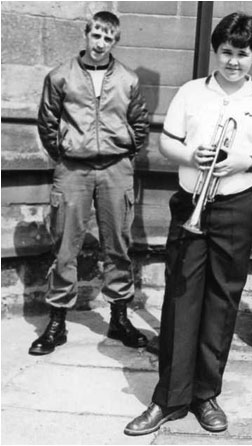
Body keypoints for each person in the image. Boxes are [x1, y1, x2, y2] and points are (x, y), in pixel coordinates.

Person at [124, 12, 252, 436]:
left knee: (222, 299)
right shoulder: (191, 92)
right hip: (192, 203)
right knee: (180, 298)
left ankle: (205, 394)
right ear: (216, 52)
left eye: (243, 54)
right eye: (227, 52)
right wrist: (188, 156)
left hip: (237, 207)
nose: (234, 62)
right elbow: (167, 141)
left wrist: (244, 161)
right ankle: (169, 398)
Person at [30, 11, 149, 356]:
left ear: (115, 41)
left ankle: (119, 317)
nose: (100, 44)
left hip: (116, 169)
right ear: (86, 35)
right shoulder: (60, 77)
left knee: (118, 245)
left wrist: (121, 152)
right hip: (73, 170)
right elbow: (47, 122)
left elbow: (139, 124)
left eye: (108, 38)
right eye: (96, 35)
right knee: (65, 245)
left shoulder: (128, 79)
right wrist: (67, 151)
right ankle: (57, 322)